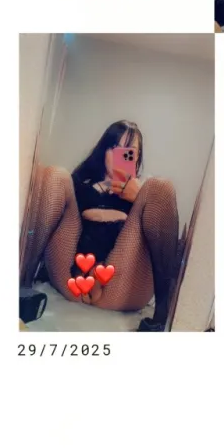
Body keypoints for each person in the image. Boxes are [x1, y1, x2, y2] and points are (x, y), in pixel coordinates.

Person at [25, 120, 179, 331]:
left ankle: (163, 315)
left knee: (161, 187)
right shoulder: (81, 183)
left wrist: (137, 197)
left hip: (120, 283)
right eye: (115, 147)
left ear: (137, 157)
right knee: (55, 174)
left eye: (129, 151)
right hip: (73, 277)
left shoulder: (145, 192)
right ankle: (23, 284)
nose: (120, 156)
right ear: (103, 150)